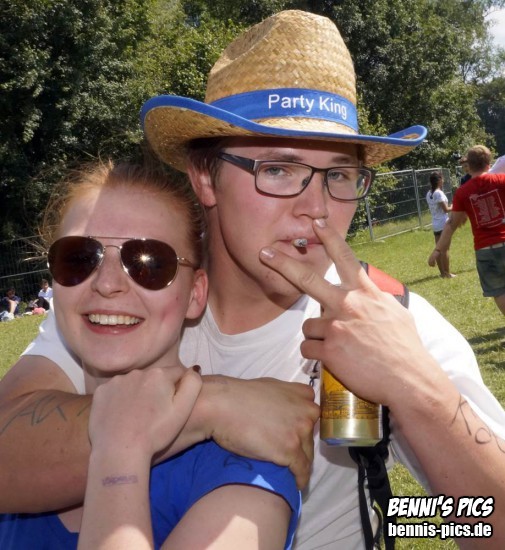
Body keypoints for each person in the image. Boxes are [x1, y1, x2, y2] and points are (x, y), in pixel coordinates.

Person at [1, 10, 505, 548]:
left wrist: (417, 394)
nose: (316, 209)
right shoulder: (142, 291)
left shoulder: (393, 320)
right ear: (205, 177)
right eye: (278, 169)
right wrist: (212, 405)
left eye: (338, 175)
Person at [0, 160, 300, 549]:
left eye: (149, 263)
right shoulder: (21, 461)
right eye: (78, 258)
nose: (107, 284)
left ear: (195, 294)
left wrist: (120, 451)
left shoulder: (246, 479)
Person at [429, 144, 505, 315]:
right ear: (489, 163)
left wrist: (437, 250)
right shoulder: (501, 180)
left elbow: (451, 224)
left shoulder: (463, 192)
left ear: (468, 166)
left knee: (499, 291)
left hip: (485, 249)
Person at [425, 171, 455, 278]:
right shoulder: (439, 193)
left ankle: (442, 273)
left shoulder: (429, 193)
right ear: (439, 180)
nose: (443, 180)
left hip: (435, 224)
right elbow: (446, 209)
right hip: (443, 223)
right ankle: (447, 273)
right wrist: (454, 206)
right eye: (442, 178)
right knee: (444, 249)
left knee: (438, 248)